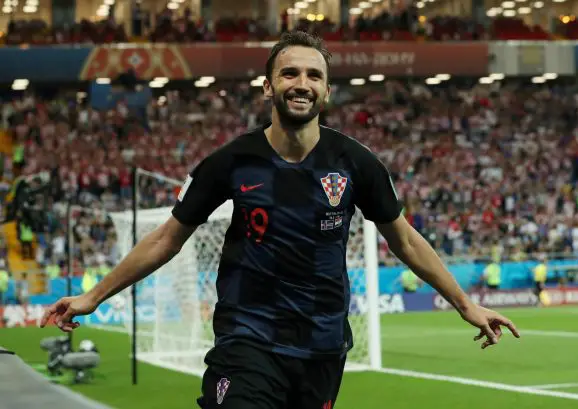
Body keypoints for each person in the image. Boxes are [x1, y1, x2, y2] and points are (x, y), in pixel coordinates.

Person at [40, 31, 520, 409]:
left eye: (313, 75)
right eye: (289, 73)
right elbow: (167, 238)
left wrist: (465, 304)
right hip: (248, 341)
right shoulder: (230, 162)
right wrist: (92, 296)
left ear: (326, 90)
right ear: (268, 86)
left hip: (322, 347)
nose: (302, 83)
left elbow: (406, 241)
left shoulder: (357, 164)